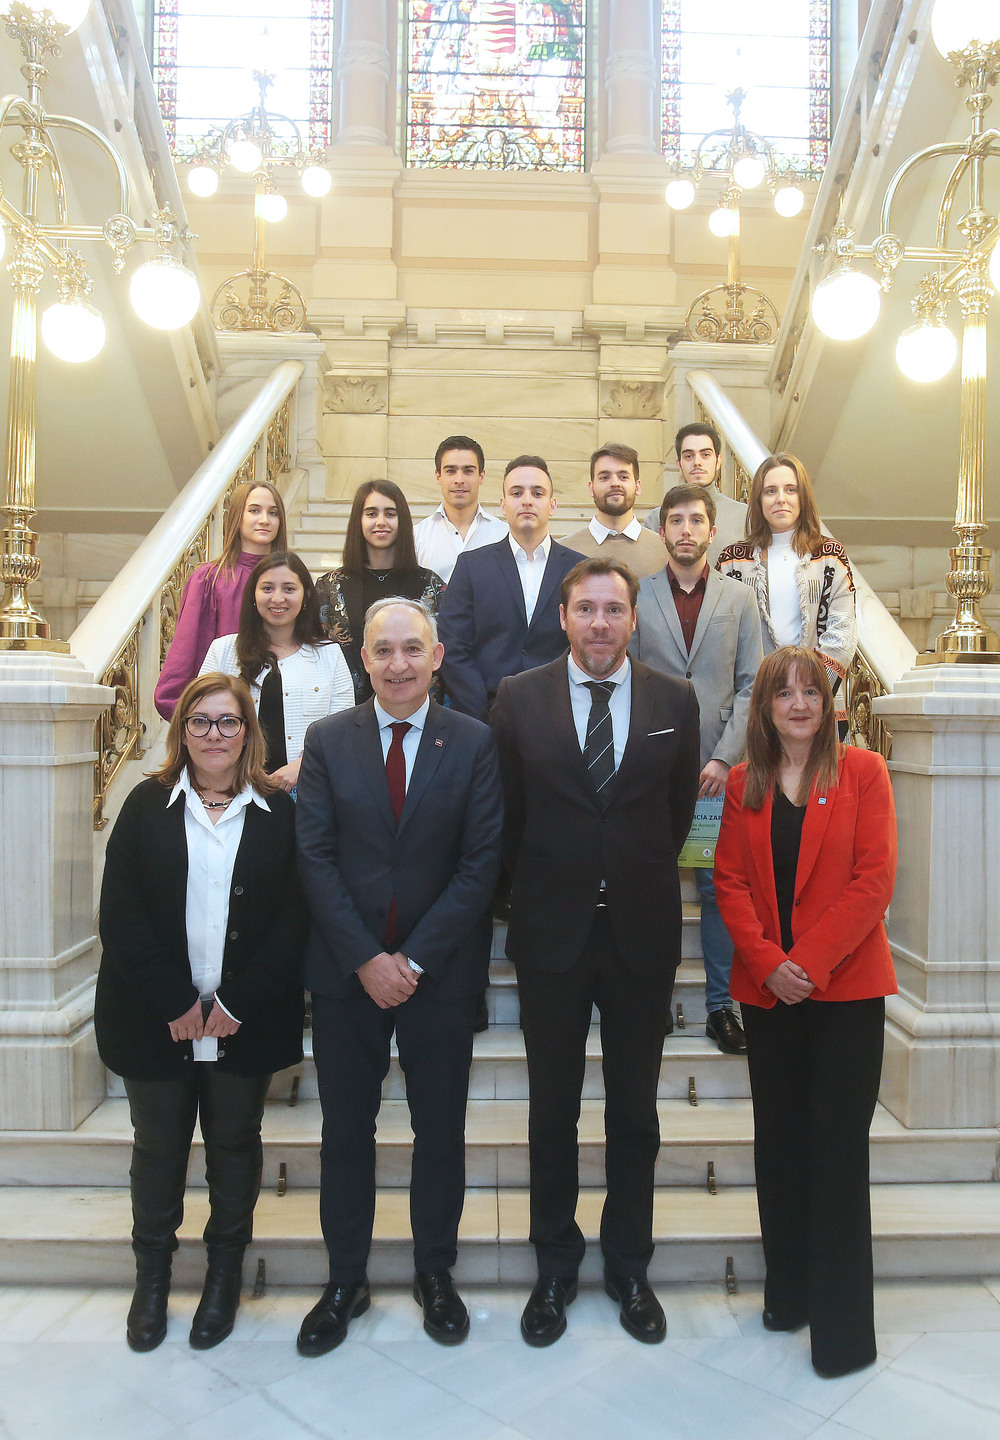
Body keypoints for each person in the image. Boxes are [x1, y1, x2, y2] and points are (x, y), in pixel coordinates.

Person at [492, 557, 699, 1347]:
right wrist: (548, 885)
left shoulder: (674, 700)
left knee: (634, 1113)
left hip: (640, 936)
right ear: (564, 616)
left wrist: (625, 875)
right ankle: (554, 1264)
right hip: (551, 936)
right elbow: (506, 818)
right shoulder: (518, 698)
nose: (601, 623)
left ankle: (628, 1265)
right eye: (587, 609)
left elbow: (675, 815)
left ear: (634, 619)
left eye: (615, 609)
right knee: (552, 1111)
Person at [295, 598, 503, 1355]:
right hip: (346, 975)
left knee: (439, 1133)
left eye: (412, 649)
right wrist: (366, 959)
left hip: (438, 977)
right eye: (382, 650)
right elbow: (313, 858)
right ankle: (344, 1280)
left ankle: (434, 1274)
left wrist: (410, 961)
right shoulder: (326, 741)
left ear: (438, 656)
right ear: (365, 660)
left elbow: (481, 866)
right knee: (345, 1132)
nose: (398, 664)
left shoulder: (475, 743)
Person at [95, 674, 306, 1354]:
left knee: (235, 1148)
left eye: (228, 722)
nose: (214, 735)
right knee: (157, 1150)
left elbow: (296, 918)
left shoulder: (279, 810)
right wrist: (176, 1002)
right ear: (181, 730)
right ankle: (151, 1281)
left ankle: (223, 1278)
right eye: (201, 722)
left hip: (246, 1020)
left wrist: (236, 1004)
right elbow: (120, 914)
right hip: (154, 1018)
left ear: (249, 731)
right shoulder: (145, 803)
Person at [713, 647, 897, 1379]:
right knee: (780, 1147)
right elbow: (727, 882)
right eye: (782, 693)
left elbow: (873, 881)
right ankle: (787, 1294)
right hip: (769, 998)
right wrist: (767, 964)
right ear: (763, 708)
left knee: (837, 1155)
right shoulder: (739, 783)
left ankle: (844, 1334)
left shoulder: (864, 774)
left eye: (810, 692)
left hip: (845, 996)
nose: (797, 704)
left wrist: (808, 965)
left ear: (829, 704)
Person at [631, 484, 763, 1054]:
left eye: (696, 521)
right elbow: (627, 680)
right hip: (652, 775)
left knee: (716, 890)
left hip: (715, 777)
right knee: (651, 890)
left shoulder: (738, 599)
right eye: (675, 521)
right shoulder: (637, 594)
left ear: (713, 530)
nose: (686, 530)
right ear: (663, 532)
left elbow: (752, 684)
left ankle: (720, 1007)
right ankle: (650, 998)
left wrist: (721, 758)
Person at [438, 454, 583, 718]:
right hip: (484, 716)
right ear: (503, 505)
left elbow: (585, 642)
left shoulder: (579, 570)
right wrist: (481, 710)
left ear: (552, 505)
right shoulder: (471, 566)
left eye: (537, 493)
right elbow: (452, 645)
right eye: (517, 493)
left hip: (562, 715)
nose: (527, 500)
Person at [716, 453, 857, 721]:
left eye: (791, 489)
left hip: (817, 702)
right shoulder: (732, 561)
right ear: (758, 500)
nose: (781, 498)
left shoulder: (830, 555)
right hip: (754, 701)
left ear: (803, 497)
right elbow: (723, 637)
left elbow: (842, 633)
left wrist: (805, 691)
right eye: (771, 491)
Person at [201, 551, 354, 793]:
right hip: (232, 786)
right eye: (268, 588)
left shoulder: (329, 654)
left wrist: (301, 766)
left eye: (289, 589)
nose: (278, 598)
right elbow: (200, 721)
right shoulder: (223, 650)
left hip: (309, 787)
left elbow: (344, 732)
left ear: (305, 596)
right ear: (254, 594)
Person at [155, 481, 287, 719]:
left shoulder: (291, 580)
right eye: (255, 510)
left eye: (273, 512)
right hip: (224, 711)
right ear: (237, 516)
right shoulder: (208, 578)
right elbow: (187, 649)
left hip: (281, 706)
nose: (265, 519)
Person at [316, 480, 446, 702]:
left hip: (415, 708)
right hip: (345, 709)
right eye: (371, 513)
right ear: (359, 520)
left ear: (402, 520)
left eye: (390, 514)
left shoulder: (430, 584)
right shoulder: (330, 585)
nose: (381, 521)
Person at [643, 423, 747, 563]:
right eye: (689, 456)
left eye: (705, 455)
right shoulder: (657, 518)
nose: (697, 462)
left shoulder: (744, 516)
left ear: (718, 461)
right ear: (679, 464)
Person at [562, 444, 668, 579]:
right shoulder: (565, 551)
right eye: (604, 477)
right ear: (591, 488)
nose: (615, 483)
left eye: (623, 476)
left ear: (638, 486)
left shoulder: (664, 550)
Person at [413, 434, 508, 583]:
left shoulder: (504, 535)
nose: (459, 480)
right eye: (450, 471)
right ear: (438, 476)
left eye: (468, 471)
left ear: (481, 476)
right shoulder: (417, 537)